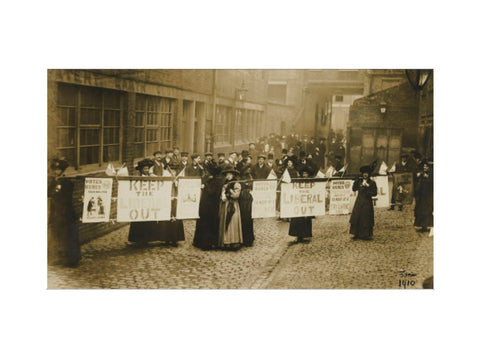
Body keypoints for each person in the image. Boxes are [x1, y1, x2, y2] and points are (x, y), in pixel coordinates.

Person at [128, 159, 185, 247]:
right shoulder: (139, 178)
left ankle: (162, 238)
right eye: (144, 169)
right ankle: (140, 240)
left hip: (164, 201)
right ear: (141, 170)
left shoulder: (157, 177)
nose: (146, 170)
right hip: (143, 201)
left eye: (147, 168)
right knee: (141, 221)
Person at [48, 158, 81, 266]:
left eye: (57, 170)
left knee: (69, 236)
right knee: (59, 236)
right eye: (54, 170)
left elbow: (62, 196)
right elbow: (48, 193)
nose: (55, 172)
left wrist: (55, 187)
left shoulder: (66, 181)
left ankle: (73, 259)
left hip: (66, 213)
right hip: (57, 213)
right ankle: (61, 257)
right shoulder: (55, 180)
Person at [349, 165, 378, 240]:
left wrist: (367, 189)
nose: (365, 175)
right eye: (364, 173)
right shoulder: (359, 181)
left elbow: (374, 193)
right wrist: (355, 181)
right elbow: (354, 189)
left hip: (367, 202)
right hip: (359, 201)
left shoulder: (372, 183)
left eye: (367, 173)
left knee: (366, 217)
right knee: (357, 217)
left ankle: (366, 234)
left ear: (369, 174)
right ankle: (356, 233)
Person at [218, 166, 243, 250]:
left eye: (230, 174)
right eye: (227, 175)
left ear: (233, 175)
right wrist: (223, 195)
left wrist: (230, 191)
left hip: (233, 205)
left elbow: (236, 195)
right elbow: (222, 194)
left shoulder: (236, 184)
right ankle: (226, 241)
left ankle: (234, 241)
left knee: (233, 221)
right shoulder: (224, 184)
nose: (228, 176)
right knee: (225, 221)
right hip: (225, 205)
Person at [288, 166, 314, 243]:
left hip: (307, 203)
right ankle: (298, 235)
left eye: (306, 174)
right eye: (303, 173)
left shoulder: (310, 182)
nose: (304, 175)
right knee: (298, 220)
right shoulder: (298, 181)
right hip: (299, 203)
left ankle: (305, 234)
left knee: (306, 220)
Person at [414, 160, 433, 232]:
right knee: (420, 211)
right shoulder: (421, 174)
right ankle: (421, 225)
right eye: (424, 166)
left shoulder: (431, 175)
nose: (425, 168)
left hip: (428, 196)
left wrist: (428, 178)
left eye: (426, 166)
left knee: (427, 211)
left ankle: (426, 225)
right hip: (421, 196)